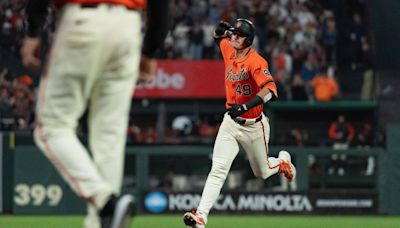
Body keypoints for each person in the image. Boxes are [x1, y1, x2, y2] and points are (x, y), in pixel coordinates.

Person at [21, 0, 170, 228]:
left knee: (50, 128)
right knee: (109, 136)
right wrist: (150, 50)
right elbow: (161, 6)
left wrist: (33, 30)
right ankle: (102, 221)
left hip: (83, 20)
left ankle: (105, 201)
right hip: (128, 26)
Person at [183, 19, 296, 228]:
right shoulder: (228, 48)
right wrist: (220, 30)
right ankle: (201, 216)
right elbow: (219, 37)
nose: (233, 37)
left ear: (248, 41)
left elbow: (270, 90)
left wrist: (246, 106)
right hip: (230, 123)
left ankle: (282, 163)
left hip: (254, 125)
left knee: (261, 173)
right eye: (233, 33)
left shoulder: (256, 61)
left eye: (238, 35)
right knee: (218, 169)